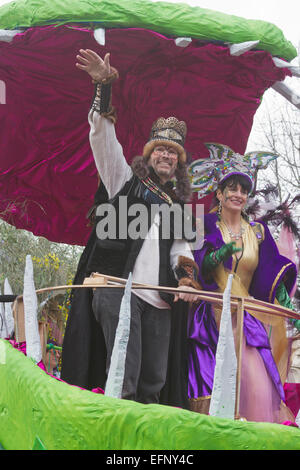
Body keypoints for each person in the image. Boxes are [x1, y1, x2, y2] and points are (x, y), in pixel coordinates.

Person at [61, 50, 201, 406]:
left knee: (154, 383)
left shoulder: (179, 206)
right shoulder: (122, 178)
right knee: (124, 378)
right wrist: (103, 87)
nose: (166, 156)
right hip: (116, 289)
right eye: (161, 150)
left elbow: (181, 250)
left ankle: (149, 449)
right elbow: (102, 137)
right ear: (150, 154)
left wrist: (186, 278)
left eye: (173, 153)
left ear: (179, 161)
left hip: (159, 300)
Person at [187, 143, 298, 423]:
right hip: (210, 319)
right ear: (220, 192)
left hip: (246, 319)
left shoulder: (258, 232)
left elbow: (273, 270)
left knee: (258, 388)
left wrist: (289, 310)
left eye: (243, 190)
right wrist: (219, 255)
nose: (238, 194)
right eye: (232, 188)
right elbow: (198, 262)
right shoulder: (204, 224)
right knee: (216, 391)